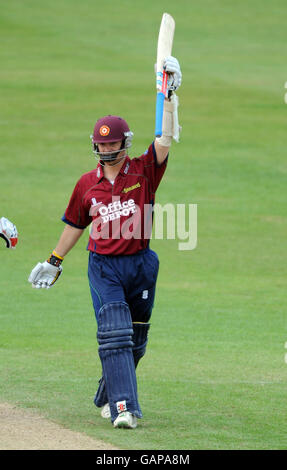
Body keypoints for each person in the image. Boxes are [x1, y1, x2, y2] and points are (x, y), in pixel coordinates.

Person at [28, 56, 182, 429]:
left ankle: (107, 392)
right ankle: (123, 408)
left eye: (113, 142)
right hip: (104, 266)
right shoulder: (86, 184)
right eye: (102, 143)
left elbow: (165, 139)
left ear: (124, 144)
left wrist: (171, 95)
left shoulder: (145, 169)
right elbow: (75, 224)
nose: (107, 148)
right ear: (95, 146)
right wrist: (55, 259)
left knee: (135, 340)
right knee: (115, 329)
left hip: (142, 264)